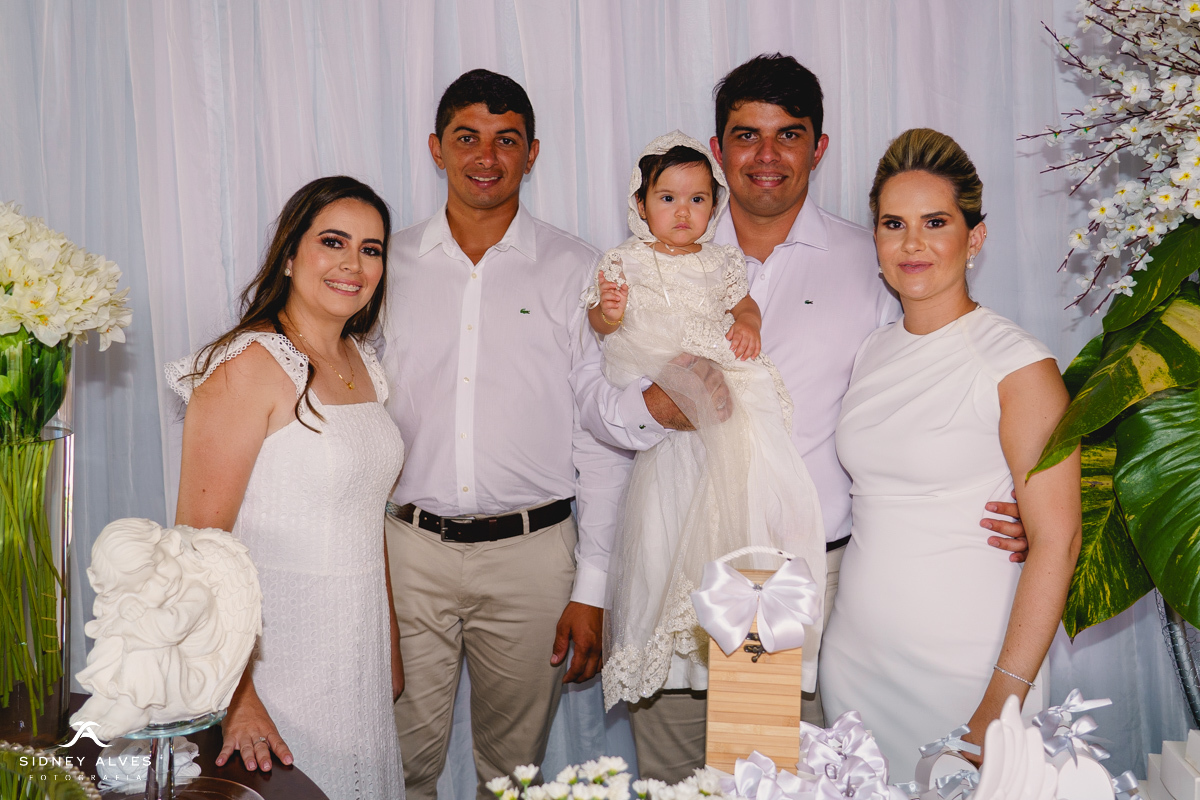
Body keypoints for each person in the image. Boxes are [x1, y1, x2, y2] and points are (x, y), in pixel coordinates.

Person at [572, 54, 1031, 782]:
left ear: (819, 147)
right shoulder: (651, 257)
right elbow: (593, 403)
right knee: (677, 784)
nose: (767, 155)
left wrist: (1017, 499)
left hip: (806, 577)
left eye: (788, 134)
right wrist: (653, 408)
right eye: (746, 135)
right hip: (674, 565)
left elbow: (933, 386)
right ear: (716, 150)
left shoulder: (876, 258)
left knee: (788, 783)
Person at [382, 69, 630, 800]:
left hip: (533, 558)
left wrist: (593, 586)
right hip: (408, 554)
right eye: (467, 138)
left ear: (533, 153)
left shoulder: (578, 269)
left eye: (506, 140)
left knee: (512, 776)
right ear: (436, 148)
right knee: (402, 765)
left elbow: (599, 437)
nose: (486, 157)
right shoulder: (382, 266)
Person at [819, 128, 1082, 781]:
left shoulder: (1018, 365)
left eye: (935, 223)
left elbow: (1059, 540)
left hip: (970, 672)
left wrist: (999, 705)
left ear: (975, 237)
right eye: (894, 224)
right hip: (855, 663)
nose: (912, 244)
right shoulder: (872, 350)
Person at [165, 176, 405, 800]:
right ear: (291, 255)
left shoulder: (362, 362)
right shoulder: (247, 364)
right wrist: (237, 695)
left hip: (355, 650)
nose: (354, 264)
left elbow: (366, 516)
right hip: (276, 658)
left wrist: (389, 642)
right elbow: (196, 546)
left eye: (371, 249)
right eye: (333, 242)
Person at [586, 131, 825, 714]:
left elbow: (742, 303)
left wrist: (749, 323)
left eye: (697, 199)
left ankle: (743, 602)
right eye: (667, 198)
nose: (682, 211)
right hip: (658, 376)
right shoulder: (623, 259)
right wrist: (608, 313)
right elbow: (599, 323)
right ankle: (676, 621)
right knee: (668, 510)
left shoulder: (721, 260)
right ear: (640, 204)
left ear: (713, 206)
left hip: (715, 378)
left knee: (737, 483)